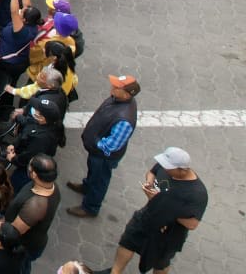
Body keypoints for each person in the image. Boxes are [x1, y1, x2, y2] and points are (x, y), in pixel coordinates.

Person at [92, 147, 207, 274]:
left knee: (160, 263)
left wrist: (162, 206)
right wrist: (149, 183)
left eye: (168, 167)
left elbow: (192, 224)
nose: (164, 168)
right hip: (147, 216)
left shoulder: (197, 194)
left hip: (168, 233)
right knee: (128, 241)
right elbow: (151, 172)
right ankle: (115, 272)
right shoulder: (166, 166)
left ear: (182, 170)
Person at [69, 74, 140, 219]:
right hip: (96, 151)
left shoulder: (124, 119)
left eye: (117, 87)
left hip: (103, 156)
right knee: (93, 173)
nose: (112, 87)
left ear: (127, 93)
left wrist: (95, 143)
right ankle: (86, 186)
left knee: (99, 180)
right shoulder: (117, 99)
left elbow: (112, 145)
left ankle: (90, 208)